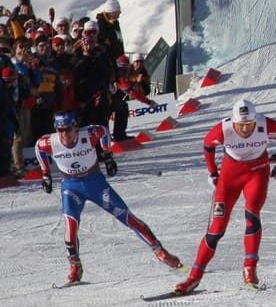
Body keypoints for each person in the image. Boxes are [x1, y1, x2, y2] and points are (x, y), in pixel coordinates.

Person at [35, 111, 181, 286]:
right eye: (60, 130)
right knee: (70, 226)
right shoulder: (49, 142)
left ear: (75, 127)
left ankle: (160, 251)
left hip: (95, 183)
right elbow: (38, 148)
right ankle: (75, 266)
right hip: (71, 186)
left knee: (126, 217)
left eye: (68, 129)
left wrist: (107, 154)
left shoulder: (88, 134)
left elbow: (103, 131)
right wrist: (45, 174)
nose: (64, 134)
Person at [177, 99, 276, 294]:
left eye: (249, 124)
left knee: (252, 215)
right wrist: (213, 173)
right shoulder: (223, 129)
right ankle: (194, 277)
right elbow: (207, 145)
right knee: (216, 229)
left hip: (256, 172)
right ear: (233, 122)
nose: (246, 129)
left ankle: (250, 269)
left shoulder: (264, 124)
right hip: (229, 177)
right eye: (241, 125)